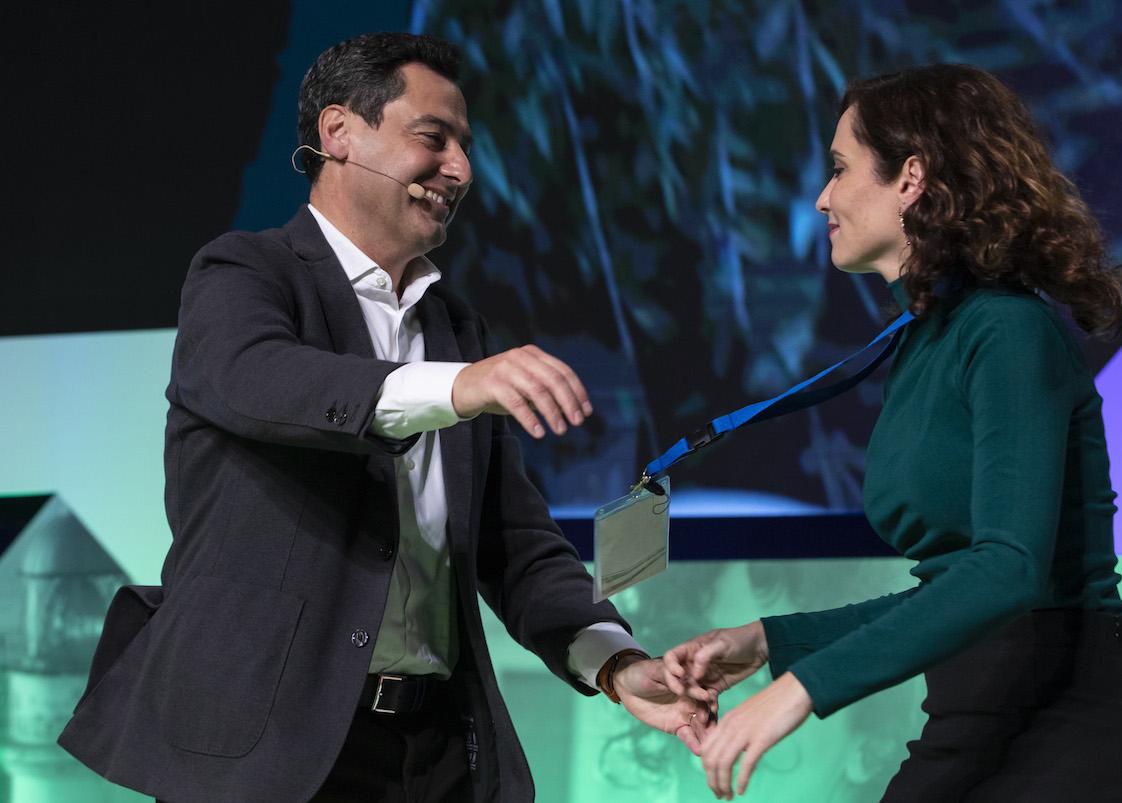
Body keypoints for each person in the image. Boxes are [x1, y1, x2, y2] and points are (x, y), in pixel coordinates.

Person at [58, 32, 709, 803]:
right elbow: (259, 381)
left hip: (434, 754)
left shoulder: (458, 329)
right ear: (338, 134)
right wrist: (458, 386)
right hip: (272, 755)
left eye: (465, 146)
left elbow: (516, 543)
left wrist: (616, 661)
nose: (460, 170)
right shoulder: (244, 271)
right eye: (433, 138)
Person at [662, 64, 1122, 801]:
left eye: (839, 170)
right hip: (976, 719)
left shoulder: (1008, 330)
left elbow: (1007, 570)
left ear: (910, 179)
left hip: (1075, 727)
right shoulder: (928, 340)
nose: (822, 197)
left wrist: (803, 686)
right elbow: (951, 587)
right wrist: (771, 643)